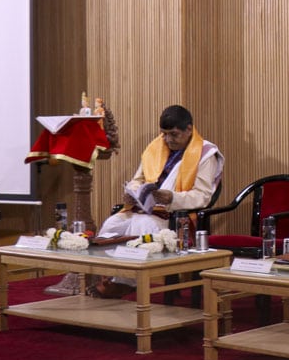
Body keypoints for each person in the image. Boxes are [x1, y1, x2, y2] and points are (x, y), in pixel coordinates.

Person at [92, 105, 224, 298]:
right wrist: (132, 192)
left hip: (175, 216)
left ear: (189, 129)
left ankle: (125, 283)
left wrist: (172, 198)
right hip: (143, 208)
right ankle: (108, 278)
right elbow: (138, 179)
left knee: (143, 225)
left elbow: (202, 196)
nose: (168, 140)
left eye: (174, 134)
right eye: (164, 134)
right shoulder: (156, 147)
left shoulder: (206, 153)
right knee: (112, 224)